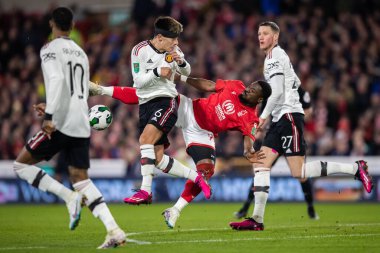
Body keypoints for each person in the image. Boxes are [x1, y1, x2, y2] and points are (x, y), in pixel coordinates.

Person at [229, 21, 374, 231]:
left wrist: (262, 117)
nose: (260, 37)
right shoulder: (279, 56)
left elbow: (277, 92)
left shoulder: (273, 59)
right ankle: (256, 220)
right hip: (281, 119)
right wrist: (298, 101)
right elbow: (295, 82)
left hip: (287, 118)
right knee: (261, 165)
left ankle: (356, 168)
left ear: (275, 37)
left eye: (266, 34)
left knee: (299, 172)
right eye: (259, 33)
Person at [89, 74, 271, 228]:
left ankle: (174, 210)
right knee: (154, 95)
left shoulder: (250, 119)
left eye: (253, 90)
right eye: (250, 86)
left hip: (202, 132)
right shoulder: (235, 86)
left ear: (260, 99)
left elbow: (249, 141)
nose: (248, 89)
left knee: (206, 171)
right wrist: (182, 77)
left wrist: (249, 152)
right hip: (189, 108)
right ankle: (101, 90)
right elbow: (208, 85)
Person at [12, 7, 125, 249]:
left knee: (20, 165)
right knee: (80, 178)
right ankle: (114, 230)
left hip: (61, 121)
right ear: (72, 26)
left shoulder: (49, 49)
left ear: (52, 24)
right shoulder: (81, 52)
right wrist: (52, 105)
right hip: (81, 120)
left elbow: (56, 80)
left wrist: (50, 115)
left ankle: (69, 197)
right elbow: (80, 88)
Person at [123, 16, 212, 205]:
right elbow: (137, 81)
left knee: (144, 140)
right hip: (145, 104)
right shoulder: (139, 50)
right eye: (173, 39)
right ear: (160, 38)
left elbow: (187, 71)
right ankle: (196, 177)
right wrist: (157, 72)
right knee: (157, 159)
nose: (177, 43)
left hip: (166, 101)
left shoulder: (174, 50)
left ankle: (145, 192)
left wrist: (180, 62)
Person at [234, 87, 319, 220]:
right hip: (275, 136)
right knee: (260, 169)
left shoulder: (299, 91)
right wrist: (260, 129)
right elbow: (264, 115)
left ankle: (310, 207)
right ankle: (246, 208)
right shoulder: (272, 91)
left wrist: (295, 121)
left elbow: (308, 112)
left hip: (291, 134)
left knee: (300, 173)